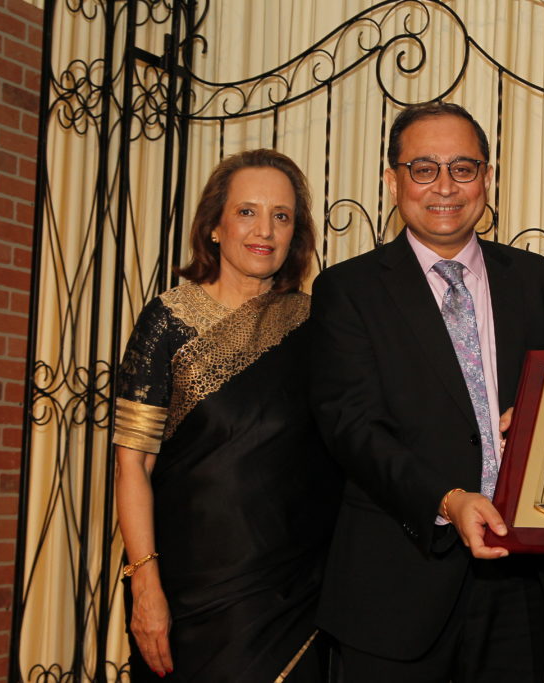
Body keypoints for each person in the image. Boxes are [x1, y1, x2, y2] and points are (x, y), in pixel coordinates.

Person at [308, 102, 544, 681]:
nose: (445, 187)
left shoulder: (538, 282)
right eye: (424, 168)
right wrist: (447, 498)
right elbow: (351, 427)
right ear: (392, 181)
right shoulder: (348, 290)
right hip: (395, 582)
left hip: (519, 577)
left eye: (463, 168)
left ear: (487, 177)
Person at [113, 149, 340, 682]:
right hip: (189, 596)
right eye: (247, 212)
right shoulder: (167, 321)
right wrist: (145, 585)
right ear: (215, 224)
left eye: (281, 216)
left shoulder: (317, 326)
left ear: (296, 233)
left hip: (294, 592)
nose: (265, 230)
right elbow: (132, 466)